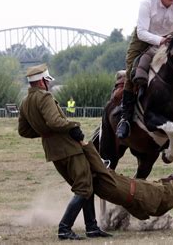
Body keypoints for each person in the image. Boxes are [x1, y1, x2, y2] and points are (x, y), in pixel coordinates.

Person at [17, 64, 112, 240]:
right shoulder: (44, 97)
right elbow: (55, 122)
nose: (49, 85)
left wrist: (45, 133)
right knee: (84, 186)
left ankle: (92, 227)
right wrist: (74, 126)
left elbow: (23, 131)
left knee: (85, 185)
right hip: (68, 148)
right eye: (47, 81)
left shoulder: (25, 102)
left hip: (53, 151)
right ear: (43, 81)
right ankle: (64, 228)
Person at [116, 0, 173, 139]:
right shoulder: (147, 3)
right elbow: (142, 32)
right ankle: (125, 119)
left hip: (170, 39)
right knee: (132, 72)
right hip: (144, 39)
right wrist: (160, 40)